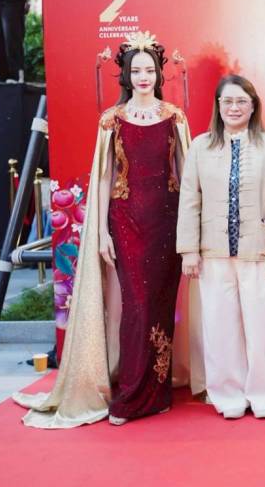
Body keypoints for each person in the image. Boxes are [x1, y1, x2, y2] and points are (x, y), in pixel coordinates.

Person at [12, 32, 204, 428]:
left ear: (159, 73)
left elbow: (188, 177)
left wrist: (191, 231)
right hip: (125, 222)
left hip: (167, 223)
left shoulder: (175, 117)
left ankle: (158, 392)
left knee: (160, 305)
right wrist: (100, 232)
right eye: (136, 71)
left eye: (149, 70)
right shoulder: (111, 120)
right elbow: (102, 178)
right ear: (126, 75)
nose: (143, 77)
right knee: (136, 305)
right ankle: (133, 392)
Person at [177, 74, 265, 419]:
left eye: (242, 101)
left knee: (263, 327)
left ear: (253, 106)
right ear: (218, 106)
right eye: (227, 101)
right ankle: (228, 396)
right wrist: (189, 249)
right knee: (219, 327)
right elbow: (189, 199)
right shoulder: (201, 147)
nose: (234, 107)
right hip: (212, 252)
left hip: (259, 250)